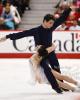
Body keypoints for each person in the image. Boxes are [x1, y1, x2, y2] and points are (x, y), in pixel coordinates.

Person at [0, 6, 73, 93]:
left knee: (57, 69)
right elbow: (22, 34)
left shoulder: (51, 27)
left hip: (50, 52)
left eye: (52, 23)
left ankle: (63, 86)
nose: (52, 25)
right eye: (50, 23)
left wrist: (69, 9)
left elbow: (61, 19)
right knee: (47, 69)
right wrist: (7, 36)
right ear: (44, 21)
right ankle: (56, 87)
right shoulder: (36, 31)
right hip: (41, 54)